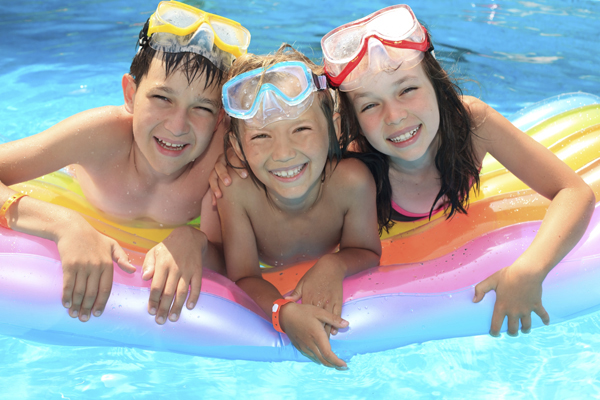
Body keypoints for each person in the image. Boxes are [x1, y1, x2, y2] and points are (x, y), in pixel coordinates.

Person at [212, 4, 595, 338]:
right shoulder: (351, 161)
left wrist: (530, 268)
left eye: (407, 89)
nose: (395, 118)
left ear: (436, 81)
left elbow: (573, 192)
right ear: (353, 122)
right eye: (370, 106)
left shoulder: (471, 125)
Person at [0, 1, 250, 325]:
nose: (177, 126)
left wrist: (196, 242)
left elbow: (240, 258)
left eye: (201, 108)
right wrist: (65, 225)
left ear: (220, 119)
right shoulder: (98, 137)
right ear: (130, 94)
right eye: (162, 98)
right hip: (73, 199)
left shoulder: (222, 160)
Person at [217, 45, 382, 369]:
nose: (283, 154)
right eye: (261, 136)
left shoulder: (352, 183)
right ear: (237, 146)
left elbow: (367, 251)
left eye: (301, 129)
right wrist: (282, 311)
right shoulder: (238, 193)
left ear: (333, 127)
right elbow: (244, 277)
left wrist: (334, 265)